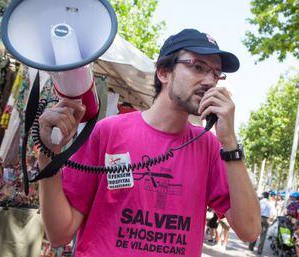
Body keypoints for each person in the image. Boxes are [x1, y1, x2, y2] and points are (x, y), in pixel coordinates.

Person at [37, 28, 261, 257]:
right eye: (198, 67)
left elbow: (250, 230)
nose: (209, 81)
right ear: (163, 72)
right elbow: (59, 233)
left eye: (216, 74)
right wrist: (47, 155)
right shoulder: (108, 132)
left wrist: (230, 143)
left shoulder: (211, 147)